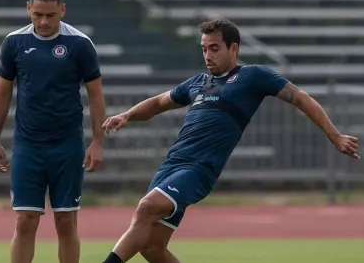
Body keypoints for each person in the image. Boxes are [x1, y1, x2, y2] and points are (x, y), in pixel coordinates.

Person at [101, 18, 360, 263]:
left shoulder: (253, 76)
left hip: (199, 168)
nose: (207, 55)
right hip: (171, 166)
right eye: (204, 49)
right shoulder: (198, 83)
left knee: (147, 206)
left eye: (214, 48)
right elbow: (158, 103)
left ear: (233, 48)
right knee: (152, 248)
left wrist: (334, 135)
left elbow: (300, 98)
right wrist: (127, 115)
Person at [0, 0, 106, 262]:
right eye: (38, 14)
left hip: (67, 146)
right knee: (25, 220)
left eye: (50, 15)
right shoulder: (14, 43)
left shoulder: (80, 44)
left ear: (62, 10)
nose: (43, 21)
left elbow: (95, 94)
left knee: (66, 221)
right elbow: (2, 92)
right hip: (28, 146)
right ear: (28, 8)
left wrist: (98, 141)